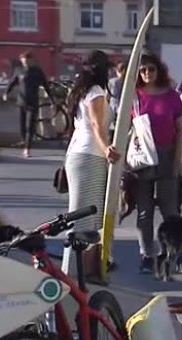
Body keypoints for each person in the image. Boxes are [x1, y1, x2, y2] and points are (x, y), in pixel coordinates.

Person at [61, 50, 120, 275]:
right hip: (90, 156)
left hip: (78, 153)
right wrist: (107, 149)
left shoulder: (79, 91)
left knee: (81, 214)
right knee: (86, 217)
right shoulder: (96, 92)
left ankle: (78, 269)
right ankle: (74, 272)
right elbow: (97, 125)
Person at [132, 54, 182, 274]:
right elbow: (123, 128)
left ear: (159, 70)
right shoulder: (134, 96)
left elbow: (181, 130)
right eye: (143, 70)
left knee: (170, 210)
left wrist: (177, 161)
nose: (147, 73)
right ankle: (147, 253)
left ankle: (179, 254)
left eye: (151, 69)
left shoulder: (171, 96)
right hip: (142, 158)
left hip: (167, 154)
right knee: (144, 212)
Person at [3, 51, 56, 158]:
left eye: (27, 61)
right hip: (22, 102)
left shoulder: (37, 71)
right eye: (23, 61)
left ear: (31, 60)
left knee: (29, 126)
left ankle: (27, 148)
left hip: (33, 102)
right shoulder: (19, 70)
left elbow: (46, 85)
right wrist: (6, 93)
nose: (25, 63)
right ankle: (24, 143)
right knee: (22, 126)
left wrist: (52, 100)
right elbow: (12, 82)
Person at [107, 62, 127, 141]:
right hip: (124, 108)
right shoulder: (129, 81)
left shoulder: (112, 81)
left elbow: (107, 96)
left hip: (113, 107)